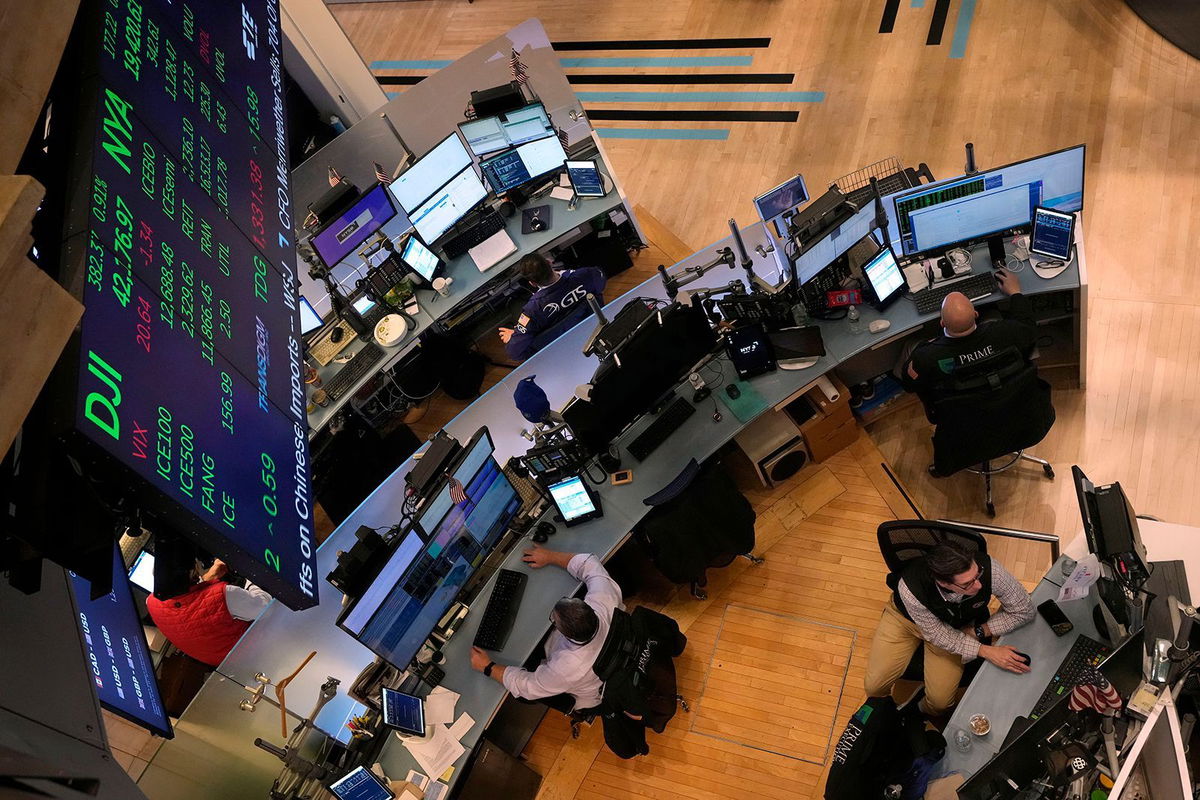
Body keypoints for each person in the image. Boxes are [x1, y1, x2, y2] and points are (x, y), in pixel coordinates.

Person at [864, 541, 1035, 717]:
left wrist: (980, 630)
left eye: (978, 575)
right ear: (944, 583)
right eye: (968, 584)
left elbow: (1024, 609)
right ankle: (882, 714)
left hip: (955, 626)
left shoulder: (990, 570)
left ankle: (916, 713)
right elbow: (938, 634)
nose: (979, 585)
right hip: (905, 621)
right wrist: (987, 651)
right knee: (873, 686)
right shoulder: (910, 588)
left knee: (940, 704)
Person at [470, 545, 623, 714]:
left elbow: (527, 686)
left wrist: (487, 667)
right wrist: (549, 556)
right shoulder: (605, 600)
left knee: (523, 666)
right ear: (588, 606)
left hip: (594, 690)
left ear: (563, 634)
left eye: (554, 621)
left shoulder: (565, 669)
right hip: (619, 657)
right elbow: (589, 563)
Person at [902, 268, 1036, 394]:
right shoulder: (1006, 332)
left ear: (942, 323)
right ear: (976, 314)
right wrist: (1016, 293)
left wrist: (926, 345)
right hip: (1009, 398)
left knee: (910, 344)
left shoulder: (925, 357)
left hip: (965, 411)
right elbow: (1028, 328)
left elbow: (909, 384)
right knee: (992, 313)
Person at [146, 558, 272, 667]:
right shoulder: (225, 595)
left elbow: (188, 604)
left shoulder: (151, 602)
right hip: (258, 652)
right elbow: (265, 607)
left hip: (228, 664)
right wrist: (250, 577)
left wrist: (206, 579)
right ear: (193, 572)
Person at [499, 253, 605, 361]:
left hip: (563, 353)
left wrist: (516, 336)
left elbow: (515, 353)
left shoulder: (532, 311)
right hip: (595, 329)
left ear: (532, 283)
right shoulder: (585, 275)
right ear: (550, 263)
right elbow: (601, 282)